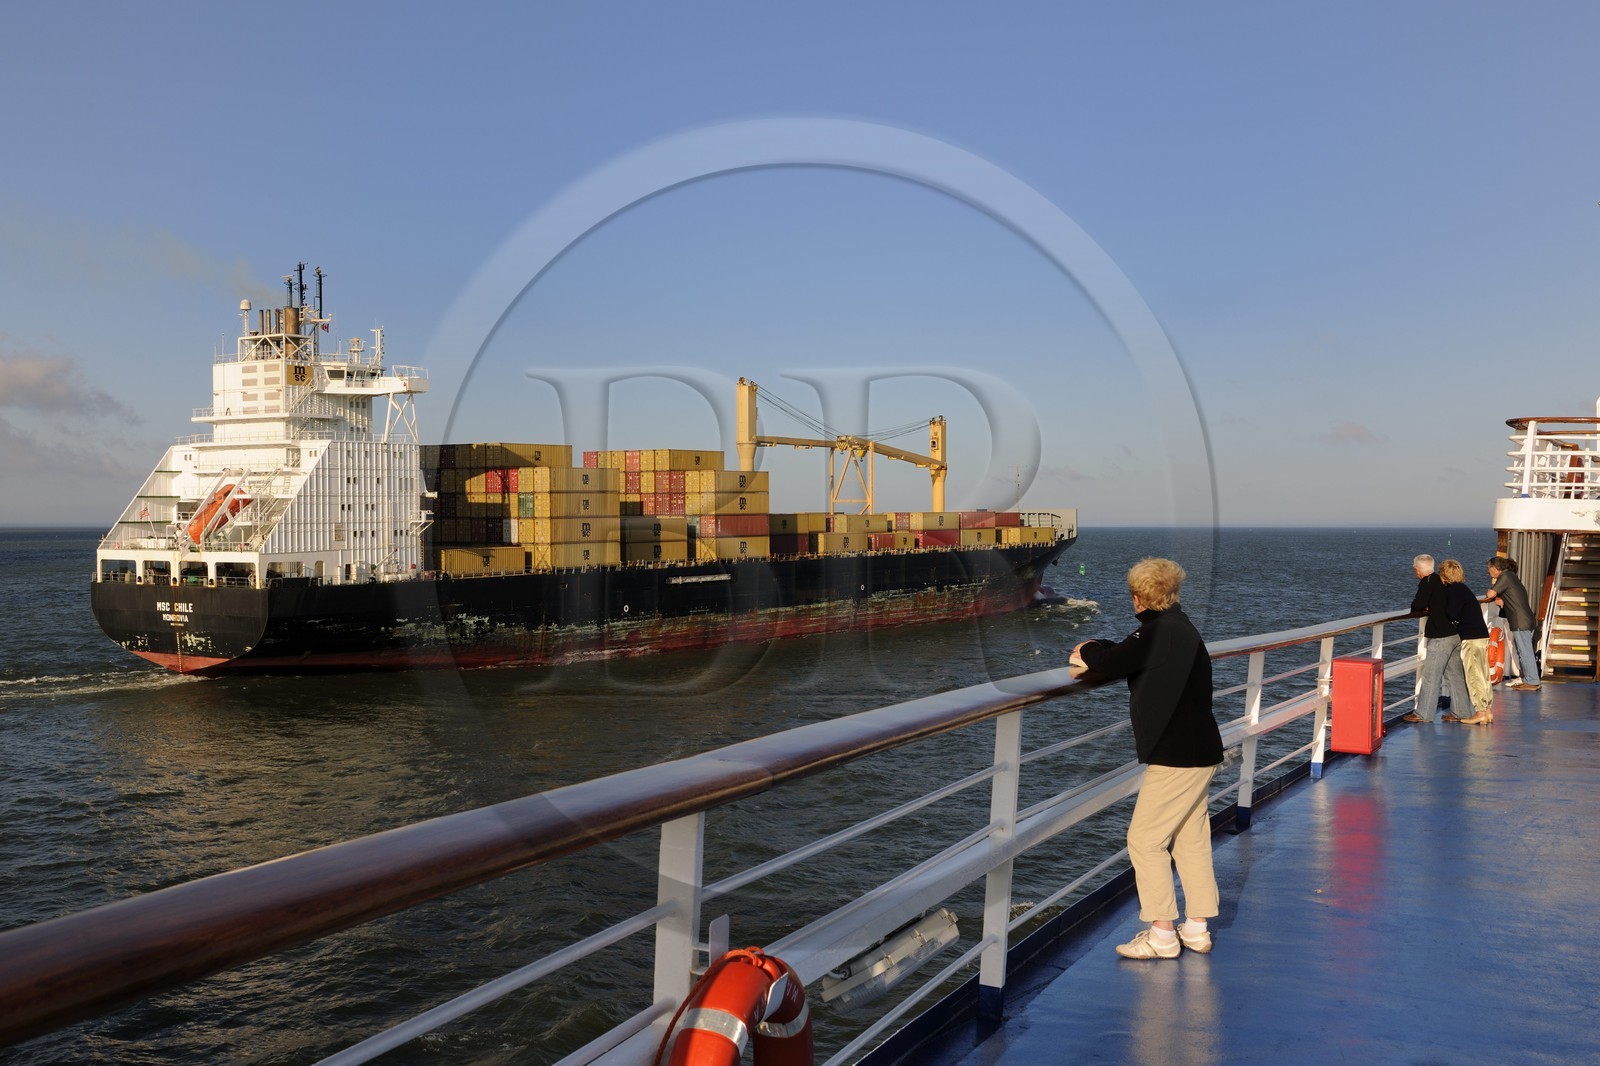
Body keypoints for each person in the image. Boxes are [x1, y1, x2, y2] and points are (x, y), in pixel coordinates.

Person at [1070, 558, 1222, 960]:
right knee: (1189, 838)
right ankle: (1197, 929)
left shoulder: (1158, 633)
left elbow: (1111, 661)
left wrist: (1086, 648)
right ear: (1172, 592)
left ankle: (1162, 934)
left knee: (1144, 840)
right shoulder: (1178, 627)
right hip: (1202, 749)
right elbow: (1127, 652)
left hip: (1176, 755)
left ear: (1138, 597)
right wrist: (1103, 647)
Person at [1404, 554, 1472, 723]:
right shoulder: (1442, 580)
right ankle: (1462, 712)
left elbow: (1417, 605)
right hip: (1455, 633)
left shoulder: (1428, 581)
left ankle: (1424, 714)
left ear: (1417, 570)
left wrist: (1422, 607)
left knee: (1431, 675)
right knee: (1455, 675)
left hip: (1441, 636)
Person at [1440, 559, 1493, 724]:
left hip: (1472, 638)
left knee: (1474, 675)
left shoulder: (1453, 590)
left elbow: (1452, 613)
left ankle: (1480, 712)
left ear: (1444, 575)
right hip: (1481, 635)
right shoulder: (1463, 588)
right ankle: (1487, 711)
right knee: (1483, 674)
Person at [1486, 557, 1539, 691]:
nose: (1488, 571)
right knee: (1524, 651)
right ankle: (1528, 679)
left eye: (1489, 568)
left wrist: (1496, 595)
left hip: (1520, 621)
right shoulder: (1511, 576)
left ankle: (1532, 681)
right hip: (1527, 619)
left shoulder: (1505, 576)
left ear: (1495, 568)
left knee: (1524, 651)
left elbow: (1490, 594)